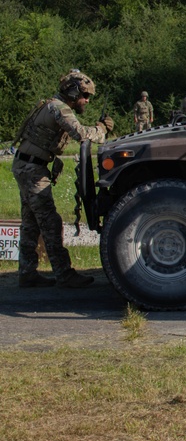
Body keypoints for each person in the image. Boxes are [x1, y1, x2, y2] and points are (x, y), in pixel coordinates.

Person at [12, 70, 114, 288]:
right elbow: (82, 134)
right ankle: (64, 273)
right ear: (73, 91)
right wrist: (102, 129)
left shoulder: (52, 105)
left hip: (27, 166)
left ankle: (27, 271)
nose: (86, 100)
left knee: (31, 222)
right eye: (85, 95)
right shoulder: (59, 109)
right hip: (32, 169)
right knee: (50, 221)